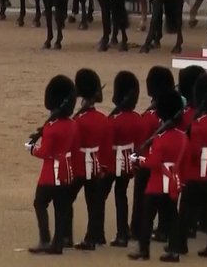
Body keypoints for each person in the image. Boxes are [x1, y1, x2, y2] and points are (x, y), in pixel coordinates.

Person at [170, 74, 207, 259]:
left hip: (197, 172)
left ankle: (180, 245)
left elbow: (193, 152)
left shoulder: (198, 124)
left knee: (186, 209)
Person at [128, 89, 187, 261]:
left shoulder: (161, 139)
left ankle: (143, 250)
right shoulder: (183, 137)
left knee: (147, 218)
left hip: (156, 184)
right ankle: (175, 250)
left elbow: (153, 162)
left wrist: (138, 160)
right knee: (172, 218)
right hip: (173, 182)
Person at [27, 75, 78, 255]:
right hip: (67, 171)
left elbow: (45, 152)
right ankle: (58, 243)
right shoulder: (72, 124)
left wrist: (32, 149)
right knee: (61, 207)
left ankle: (45, 239)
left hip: (51, 173)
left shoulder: (52, 127)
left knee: (39, 203)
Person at [130, 66, 175, 242]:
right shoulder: (173, 113)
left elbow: (140, 141)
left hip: (149, 159)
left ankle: (138, 229)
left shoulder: (149, 116)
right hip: (168, 161)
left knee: (141, 198)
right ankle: (165, 229)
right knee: (166, 198)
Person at [67, 68, 110, 250]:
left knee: (66, 200)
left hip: (79, 166)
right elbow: (107, 147)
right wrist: (104, 167)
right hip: (96, 165)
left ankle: (65, 235)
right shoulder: (103, 119)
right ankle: (96, 236)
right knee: (95, 203)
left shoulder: (78, 121)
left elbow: (72, 146)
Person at [102, 71, 142, 247]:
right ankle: (123, 232)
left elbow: (107, 145)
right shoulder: (137, 118)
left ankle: (97, 232)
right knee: (121, 195)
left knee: (99, 196)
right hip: (127, 163)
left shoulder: (113, 121)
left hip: (112, 162)